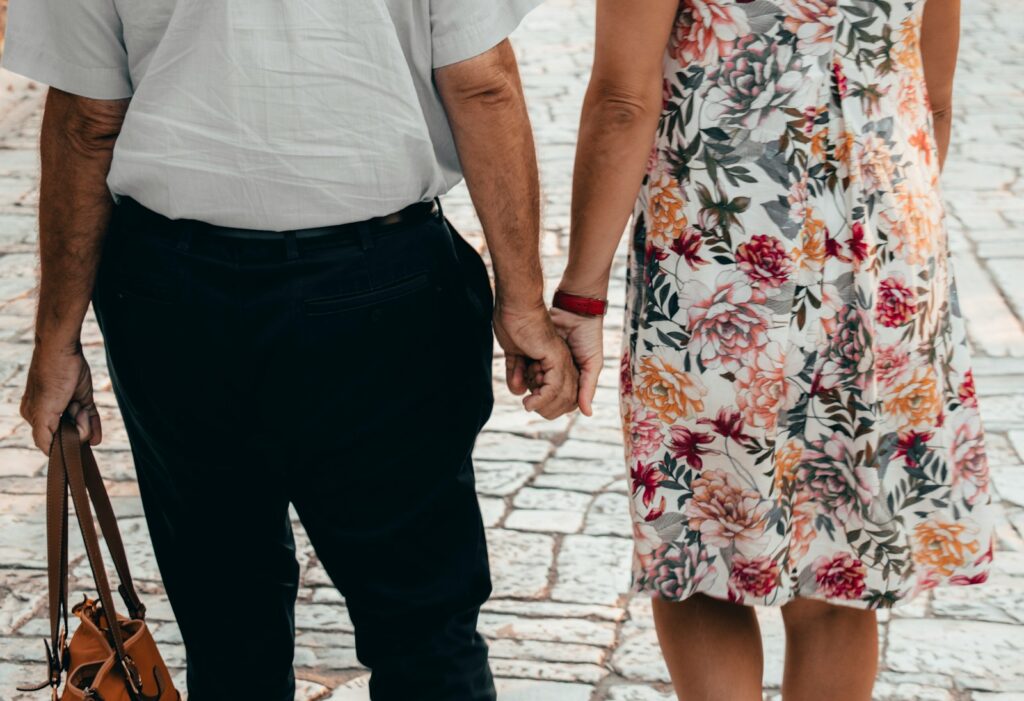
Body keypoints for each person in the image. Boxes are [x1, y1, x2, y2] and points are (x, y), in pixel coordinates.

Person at [5, 1, 581, 699]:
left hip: (180, 299)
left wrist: (56, 341)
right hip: (381, 286)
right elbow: (481, 81)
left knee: (228, 625)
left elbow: (88, 120)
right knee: (424, 628)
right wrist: (521, 300)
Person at [551, 1, 993, 699]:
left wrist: (580, 295)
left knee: (702, 554)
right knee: (837, 568)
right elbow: (932, 98)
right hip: (885, 263)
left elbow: (623, 102)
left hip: (728, 255)